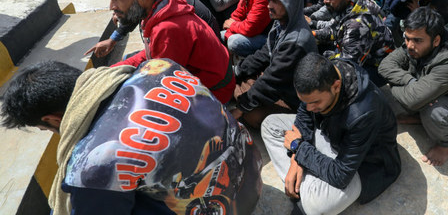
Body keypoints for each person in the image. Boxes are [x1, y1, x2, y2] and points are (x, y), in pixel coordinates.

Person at [1, 59, 261, 214]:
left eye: (45, 129)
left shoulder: (92, 165)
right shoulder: (158, 67)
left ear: (53, 120)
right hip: (250, 173)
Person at [260, 54, 401, 215]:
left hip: (365, 164)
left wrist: (298, 148)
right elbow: (304, 113)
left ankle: (301, 189)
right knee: (270, 125)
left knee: (316, 207)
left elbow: (341, 175)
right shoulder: (327, 72)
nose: (309, 107)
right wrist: (295, 160)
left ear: (336, 86)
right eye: (306, 101)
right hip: (331, 136)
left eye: (315, 102)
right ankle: (304, 184)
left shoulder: (363, 114)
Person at [99, 0, 235, 103]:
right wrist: (109, 72)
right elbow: (150, 52)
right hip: (202, 81)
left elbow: (163, 83)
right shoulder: (160, 7)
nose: (111, 6)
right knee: (125, 63)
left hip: (213, 94)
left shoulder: (168, 29)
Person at [379, 7, 448, 165]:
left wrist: (400, 85)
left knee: (434, 111)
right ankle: (420, 114)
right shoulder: (417, 45)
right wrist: (410, 82)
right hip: (436, 91)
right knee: (406, 84)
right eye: (407, 38)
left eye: (417, 40)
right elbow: (385, 66)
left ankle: (446, 145)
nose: (410, 45)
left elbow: (412, 100)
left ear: (436, 40)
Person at [232, 0, 317, 128]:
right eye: (269, 0)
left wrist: (241, 108)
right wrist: (237, 71)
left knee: (251, 114)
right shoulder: (282, 22)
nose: (269, 6)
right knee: (237, 82)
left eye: (276, 2)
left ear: (290, 3)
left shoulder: (296, 41)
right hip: (280, 85)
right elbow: (264, 53)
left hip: (292, 98)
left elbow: (273, 80)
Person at [314, 0, 393, 86]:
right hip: (359, 51)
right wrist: (314, 34)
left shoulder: (357, 24)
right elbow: (337, 30)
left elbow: (348, 66)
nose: (325, 0)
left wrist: (325, 57)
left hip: (375, 68)